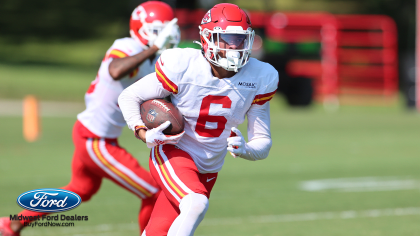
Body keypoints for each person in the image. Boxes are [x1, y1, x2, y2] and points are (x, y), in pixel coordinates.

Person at [0, 2, 180, 236]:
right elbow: (116, 70)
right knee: (154, 191)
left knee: (79, 190)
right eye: (157, 31)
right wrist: (154, 47)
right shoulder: (127, 46)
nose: (161, 39)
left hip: (96, 135)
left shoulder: (152, 60)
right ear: (141, 28)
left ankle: (11, 224)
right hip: (96, 140)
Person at [117, 3, 279, 236]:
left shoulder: (261, 76)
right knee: (196, 204)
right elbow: (129, 96)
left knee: (156, 232)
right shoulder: (184, 66)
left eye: (240, 39)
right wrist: (143, 133)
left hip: (210, 166)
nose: (234, 46)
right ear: (207, 38)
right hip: (175, 153)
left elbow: (263, 141)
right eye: (227, 38)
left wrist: (245, 149)